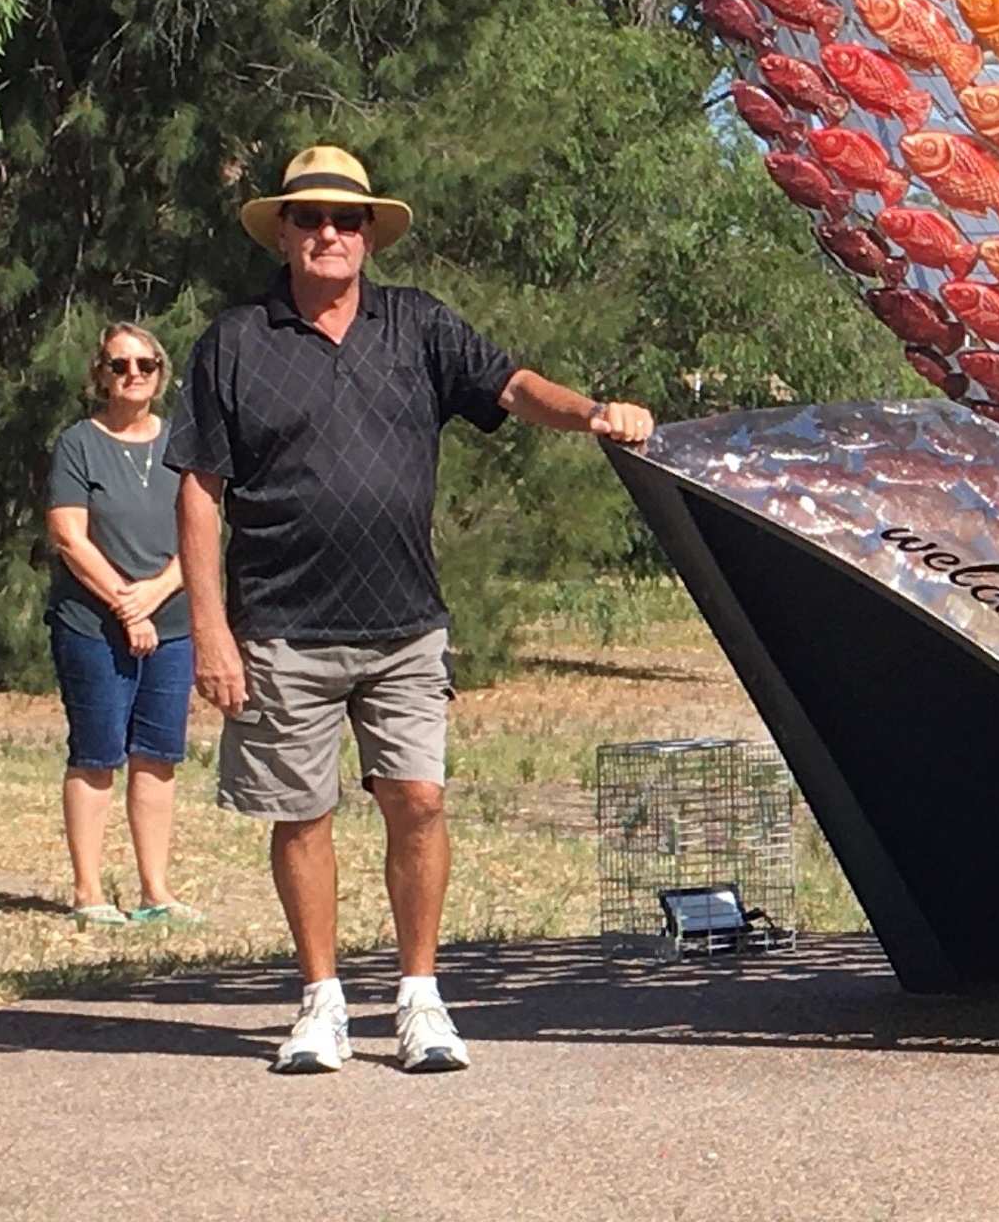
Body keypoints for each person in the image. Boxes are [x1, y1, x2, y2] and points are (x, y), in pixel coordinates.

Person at [166, 145, 654, 1075]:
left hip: (404, 624)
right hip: (280, 625)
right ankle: (320, 1004)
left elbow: (512, 387)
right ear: (282, 231)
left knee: (419, 803)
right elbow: (199, 490)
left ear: (369, 235)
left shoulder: (417, 326)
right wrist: (211, 629)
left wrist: (592, 412)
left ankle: (421, 1000)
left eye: (346, 219)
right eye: (308, 217)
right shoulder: (235, 342)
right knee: (301, 815)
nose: (328, 234)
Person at [45, 322, 200, 926]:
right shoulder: (79, 444)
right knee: (97, 753)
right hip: (91, 622)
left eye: (145, 364)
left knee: (158, 755)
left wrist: (156, 594)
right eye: (119, 365)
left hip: (174, 621)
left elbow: (202, 531)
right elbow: (67, 535)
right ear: (100, 375)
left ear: (161, 373)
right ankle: (88, 891)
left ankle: (155, 891)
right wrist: (123, 604)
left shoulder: (184, 443)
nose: (132, 374)